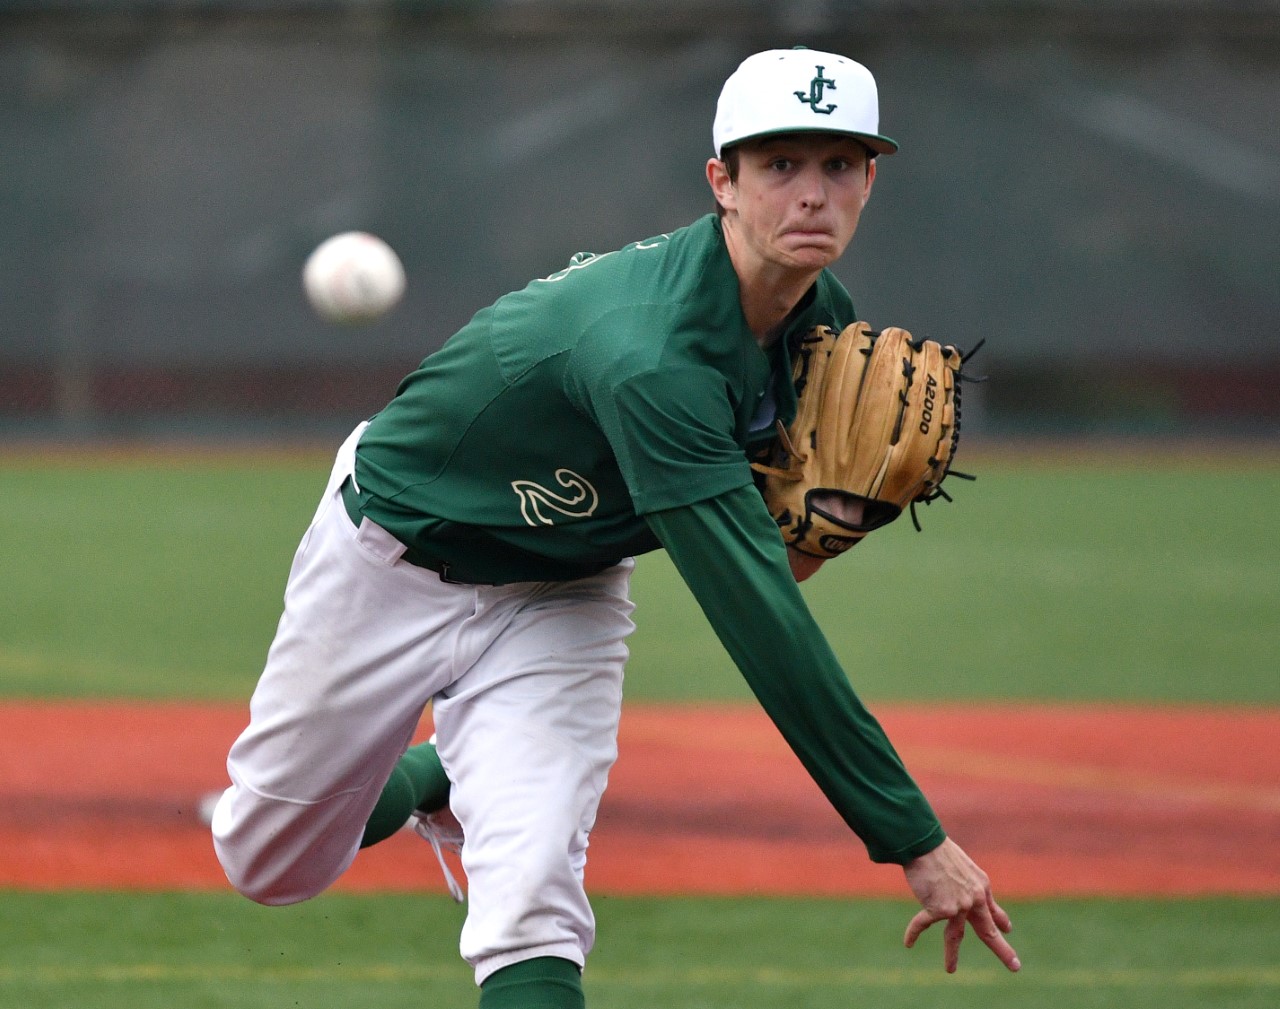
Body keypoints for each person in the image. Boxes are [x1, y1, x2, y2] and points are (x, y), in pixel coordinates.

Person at [211, 45, 1020, 1009]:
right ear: (722, 180)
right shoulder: (651, 359)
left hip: (566, 588)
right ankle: (440, 774)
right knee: (269, 865)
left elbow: (771, 565)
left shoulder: (820, 321)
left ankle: (484, 786)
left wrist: (820, 526)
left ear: (870, 180)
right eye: (780, 165)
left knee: (534, 901)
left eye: (839, 164)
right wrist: (913, 838)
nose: (812, 194)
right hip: (394, 553)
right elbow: (760, 619)